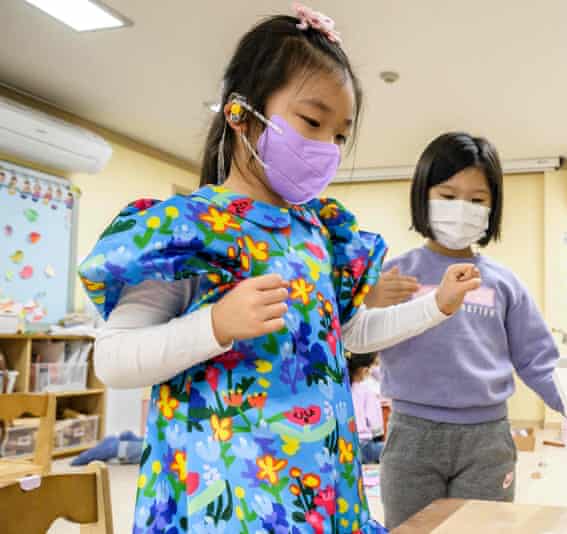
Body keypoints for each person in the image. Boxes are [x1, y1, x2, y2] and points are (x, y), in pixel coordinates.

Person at [78, 7, 481, 533]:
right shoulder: (190, 229)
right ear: (239, 113)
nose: (327, 148)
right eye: (312, 122)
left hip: (320, 498)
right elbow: (113, 361)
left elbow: (345, 333)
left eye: (339, 135)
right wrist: (215, 325)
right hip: (222, 504)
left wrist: (436, 307)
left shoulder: (319, 233)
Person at [372, 132, 567, 528]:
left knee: (485, 528)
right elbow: (362, 334)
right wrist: (370, 299)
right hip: (411, 434)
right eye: (448, 196)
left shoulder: (504, 284)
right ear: (423, 196)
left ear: (493, 208)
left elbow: (538, 359)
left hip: (486, 438)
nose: (461, 209)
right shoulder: (393, 275)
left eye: (476, 200)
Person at [348, 352, 385, 464]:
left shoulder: (342, 390)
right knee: (393, 450)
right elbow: (376, 424)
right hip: (364, 446)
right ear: (365, 370)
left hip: (347, 445)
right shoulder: (367, 391)